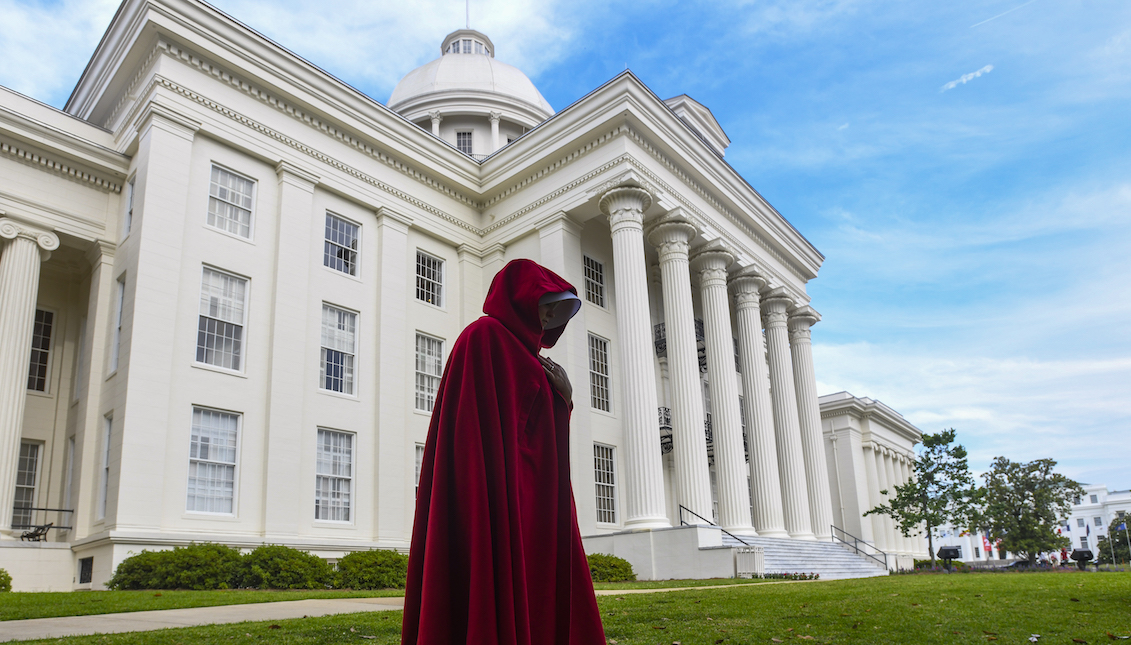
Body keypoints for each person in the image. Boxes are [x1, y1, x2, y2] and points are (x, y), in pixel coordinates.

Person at [402, 259, 606, 645]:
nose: (548, 316)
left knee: (537, 585)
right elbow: (476, 438)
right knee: (486, 575)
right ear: (519, 298)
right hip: (490, 497)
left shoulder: (532, 360)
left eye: (554, 309)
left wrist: (565, 397)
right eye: (545, 304)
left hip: (528, 502)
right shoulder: (484, 338)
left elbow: (535, 436)